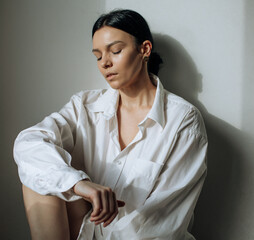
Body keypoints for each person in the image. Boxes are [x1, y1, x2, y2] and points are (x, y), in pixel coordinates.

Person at [14, 9, 207, 240]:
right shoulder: (85, 105)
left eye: (115, 51)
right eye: (97, 56)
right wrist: (79, 184)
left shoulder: (183, 120)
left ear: (144, 49)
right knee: (39, 178)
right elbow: (29, 142)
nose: (105, 63)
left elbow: (160, 223)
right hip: (85, 229)